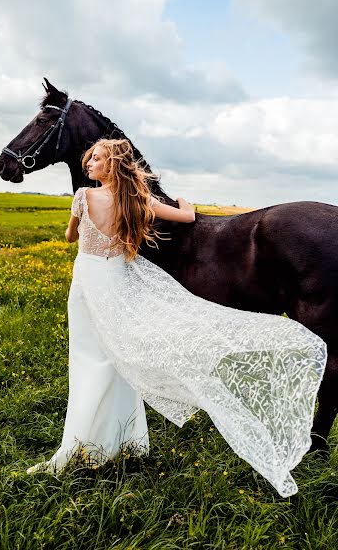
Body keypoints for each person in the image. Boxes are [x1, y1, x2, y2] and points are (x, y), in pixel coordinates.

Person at [26, 138, 327, 498]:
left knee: (91, 358)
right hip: (117, 280)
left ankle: (85, 439)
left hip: (89, 282)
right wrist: (186, 201)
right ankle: (125, 438)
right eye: (90, 158)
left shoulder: (82, 197)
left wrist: (79, 229)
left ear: (110, 165)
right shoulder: (137, 201)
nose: (89, 163)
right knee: (117, 359)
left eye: (97, 159)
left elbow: (70, 235)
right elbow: (187, 216)